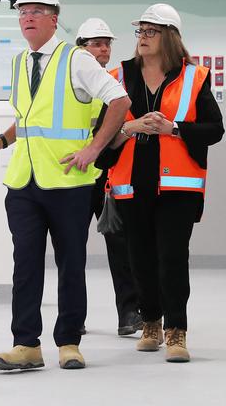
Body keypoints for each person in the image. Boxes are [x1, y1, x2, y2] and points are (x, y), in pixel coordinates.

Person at [0, 0, 131, 371]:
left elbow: (120, 100)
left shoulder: (76, 58)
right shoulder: (17, 62)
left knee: (70, 263)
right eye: (22, 12)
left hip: (69, 182)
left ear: (53, 19)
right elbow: (30, 118)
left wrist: (94, 149)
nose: (27, 17)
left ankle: (68, 342)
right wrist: (0, 140)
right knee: (25, 264)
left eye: (35, 11)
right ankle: (26, 344)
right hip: (24, 184)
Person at [97, 3, 224, 363]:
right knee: (140, 259)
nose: (142, 38)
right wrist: (130, 128)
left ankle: (176, 330)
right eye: (140, 31)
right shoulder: (117, 77)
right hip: (131, 184)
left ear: (169, 37)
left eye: (150, 31)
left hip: (178, 187)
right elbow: (102, 135)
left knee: (171, 257)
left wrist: (175, 129)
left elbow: (215, 129)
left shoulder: (194, 77)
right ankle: (150, 322)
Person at [75, 17, 143, 336]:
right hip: (74, 176)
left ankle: (129, 314)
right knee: (72, 248)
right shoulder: (69, 80)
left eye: (107, 44)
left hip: (107, 174)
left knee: (121, 243)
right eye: (96, 44)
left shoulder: (115, 82)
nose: (103, 49)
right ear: (81, 48)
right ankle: (74, 316)